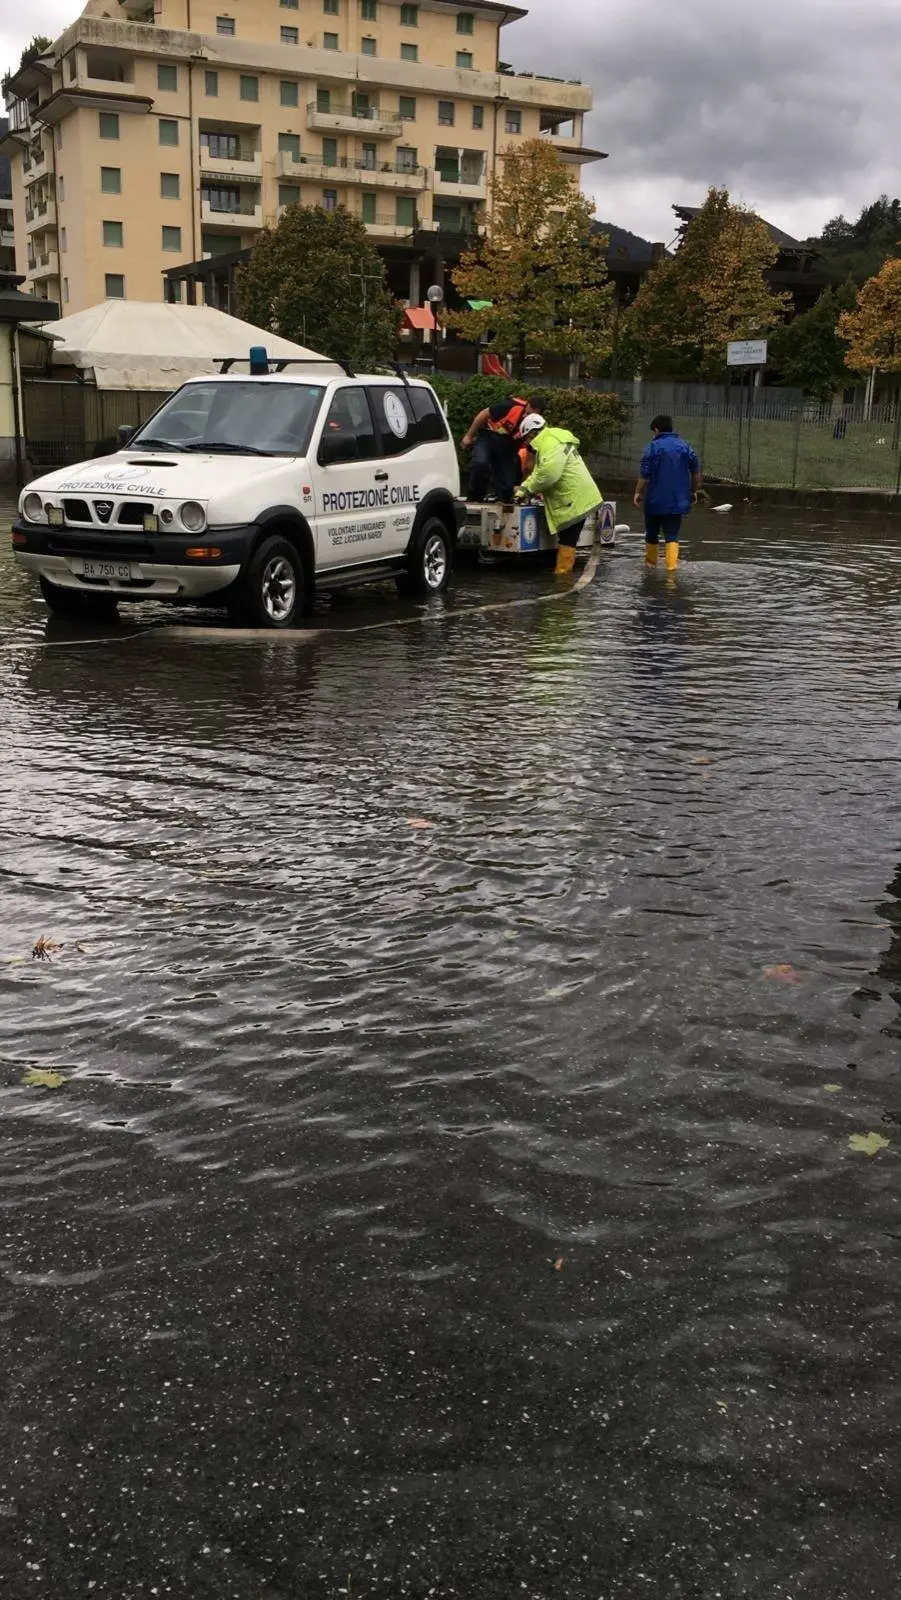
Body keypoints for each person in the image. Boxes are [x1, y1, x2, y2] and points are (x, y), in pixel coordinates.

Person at [514, 413, 603, 576]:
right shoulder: (553, 439)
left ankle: (563, 579)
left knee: (567, 540)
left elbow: (548, 475)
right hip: (579, 497)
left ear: (532, 433)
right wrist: (524, 488)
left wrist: (526, 491)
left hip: (572, 500)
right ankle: (564, 577)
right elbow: (541, 471)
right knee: (569, 540)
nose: (526, 443)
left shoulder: (549, 444)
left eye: (526, 438)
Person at [633, 415, 702, 572]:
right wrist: (693, 491)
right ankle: (671, 570)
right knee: (672, 535)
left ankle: (650, 566)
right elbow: (696, 472)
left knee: (651, 534)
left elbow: (644, 474)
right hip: (677, 501)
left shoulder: (653, 447)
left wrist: (637, 492)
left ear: (656, 430)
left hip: (654, 501)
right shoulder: (685, 446)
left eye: (653, 432)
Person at [461, 395, 536, 504]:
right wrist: (469, 436)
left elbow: (530, 451)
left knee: (507, 485)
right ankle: (475, 499)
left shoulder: (535, 425)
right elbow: (483, 415)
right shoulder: (510, 406)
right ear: (526, 406)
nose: (526, 416)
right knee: (480, 464)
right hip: (489, 438)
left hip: (509, 447)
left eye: (531, 415)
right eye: (527, 412)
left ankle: (502, 501)